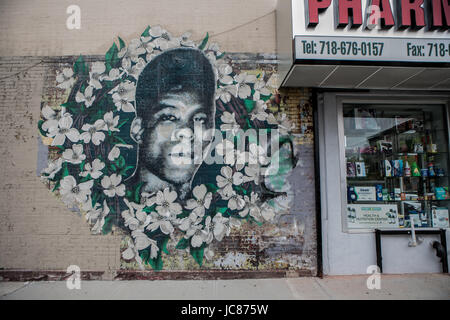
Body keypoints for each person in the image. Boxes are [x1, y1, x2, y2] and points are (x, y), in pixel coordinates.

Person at [130, 47, 216, 199]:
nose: (187, 132)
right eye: (169, 118)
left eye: (199, 119)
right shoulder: (105, 206)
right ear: (138, 130)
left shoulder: (218, 211)